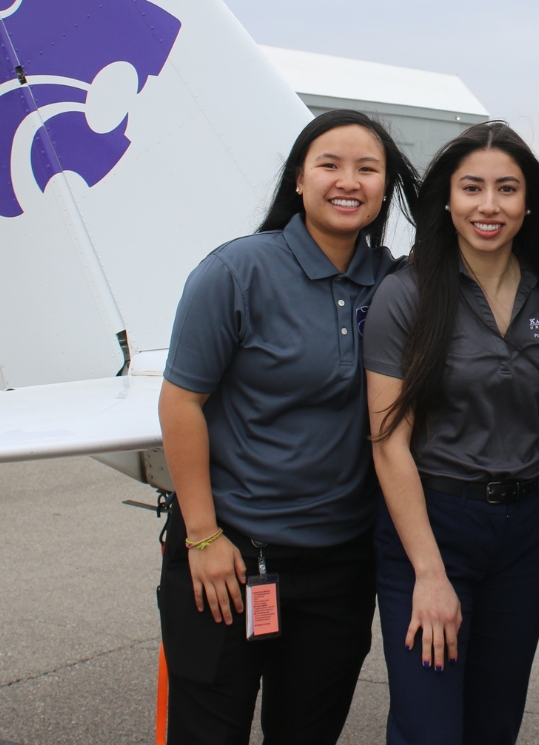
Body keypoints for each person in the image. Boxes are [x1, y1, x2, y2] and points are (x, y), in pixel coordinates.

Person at [157, 110, 418, 745]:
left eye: (367, 168)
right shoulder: (235, 271)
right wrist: (202, 537)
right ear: (298, 180)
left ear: (386, 189)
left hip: (340, 567)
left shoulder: (393, 284)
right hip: (229, 556)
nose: (347, 181)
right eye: (329, 164)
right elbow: (180, 403)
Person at [364, 121, 539, 745]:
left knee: (494, 723)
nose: (490, 206)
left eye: (507, 189)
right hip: (435, 526)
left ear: (528, 201)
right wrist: (429, 574)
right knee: (429, 726)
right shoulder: (406, 295)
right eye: (473, 188)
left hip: (523, 534)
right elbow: (389, 442)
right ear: (448, 200)